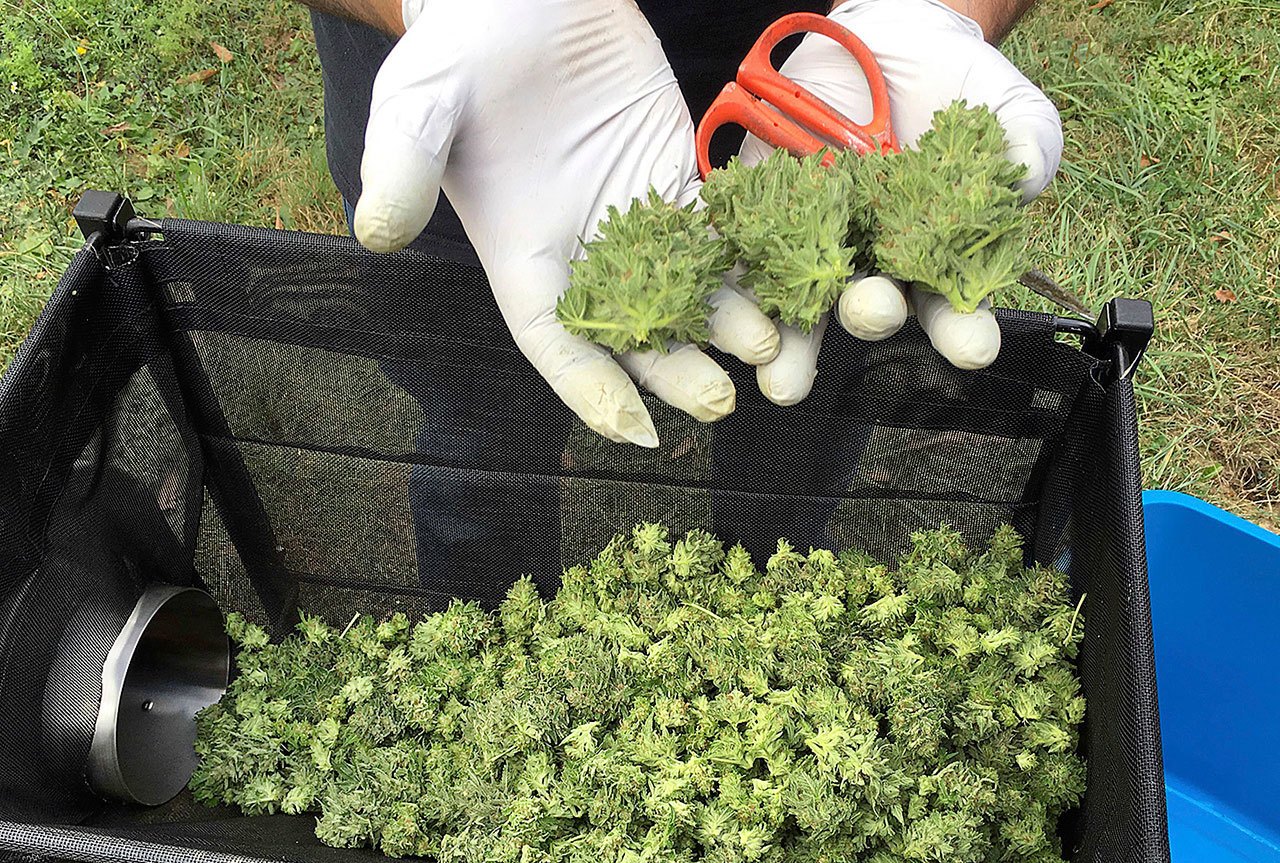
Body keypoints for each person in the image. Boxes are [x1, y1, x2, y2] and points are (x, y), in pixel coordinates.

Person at [296, 0, 1062, 592]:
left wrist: (939, 8)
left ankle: (772, 594)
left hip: (817, 55)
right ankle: (483, 629)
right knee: (480, 422)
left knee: (798, 410)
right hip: (492, 103)